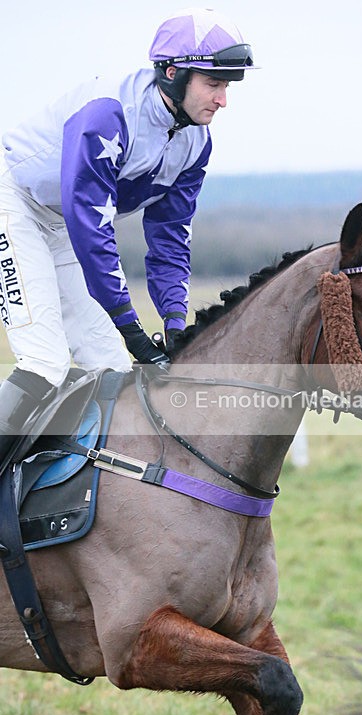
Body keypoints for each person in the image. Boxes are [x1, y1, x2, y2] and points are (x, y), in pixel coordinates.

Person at [0, 7, 255, 475]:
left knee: (112, 371)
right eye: (214, 85)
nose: (223, 100)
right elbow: (91, 228)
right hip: (12, 200)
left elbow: (170, 239)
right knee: (44, 365)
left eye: (228, 87)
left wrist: (175, 323)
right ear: (174, 74)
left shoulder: (195, 141)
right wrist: (132, 326)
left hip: (61, 223)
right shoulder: (108, 115)